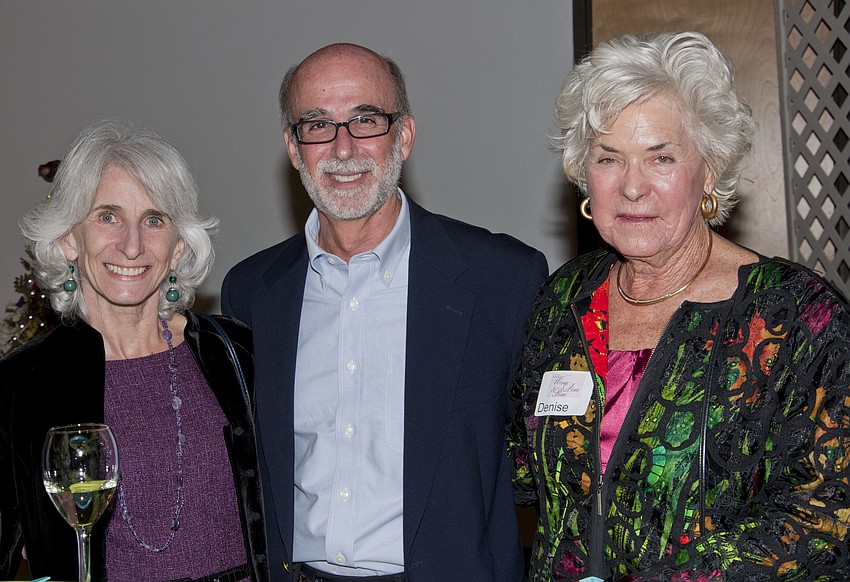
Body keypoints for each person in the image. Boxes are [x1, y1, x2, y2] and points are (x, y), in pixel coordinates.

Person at [509, 30, 850, 581]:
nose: (632, 187)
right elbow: (521, 472)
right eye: (609, 158)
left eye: (661, 157)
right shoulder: (563, 302)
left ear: (709, 169)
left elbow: (828, 516)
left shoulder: (795, 319)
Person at [221, 43, 549, 582]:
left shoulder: (503, 282)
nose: (342, 148)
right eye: (317, 125)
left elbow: (554, 471)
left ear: (405, 135)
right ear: (292, 146)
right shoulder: (253, 293)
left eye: (366, 120)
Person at [0, 120, 268, 581]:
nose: (131, 245)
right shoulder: (23, 385)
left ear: (179, 244)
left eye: (154, 219)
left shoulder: (236, 353)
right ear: (68, 238)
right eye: (107, 216)